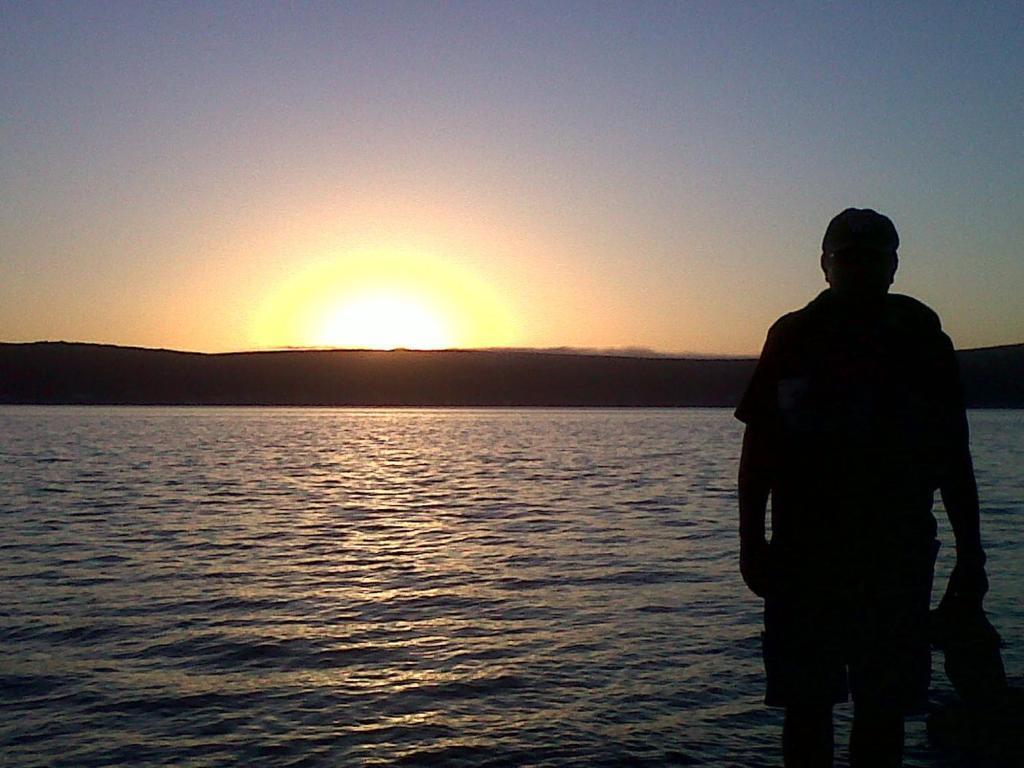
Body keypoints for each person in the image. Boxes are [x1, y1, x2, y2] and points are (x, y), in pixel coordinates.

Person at [735, 208, 988, 767]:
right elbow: (760, 452)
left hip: (890, 555)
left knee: (880, 709)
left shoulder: (920, 332)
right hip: (810, 557)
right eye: (850, 258)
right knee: (812, 708)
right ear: (825, 265)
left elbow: (952, 452)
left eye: (873, 258)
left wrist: (971, 553)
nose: (861, 269)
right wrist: (751, 542)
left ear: (894, 266)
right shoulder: (795, 335)